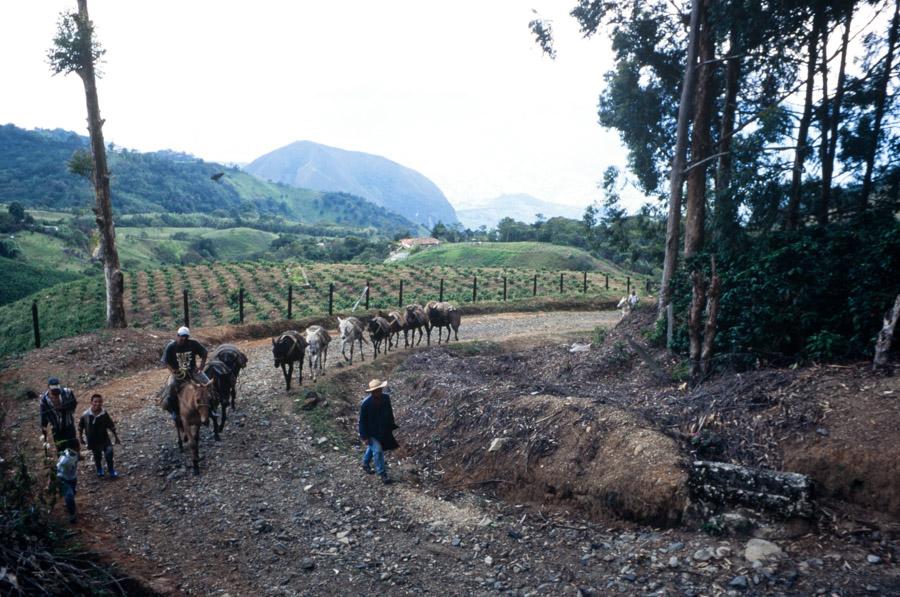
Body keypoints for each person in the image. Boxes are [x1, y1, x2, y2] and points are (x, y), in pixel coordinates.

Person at [160, 326, 209, 418]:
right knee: (171, 387)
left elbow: (204, 353)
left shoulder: (193, 344)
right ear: (177, 335)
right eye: (181, 336)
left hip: (192, 371)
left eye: (185, 336)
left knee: (208, 384)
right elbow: (165, 361)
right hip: (178, 374)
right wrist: (173, 371)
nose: (183, 338)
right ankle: (174, 410)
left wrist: (201, 367)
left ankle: (210, 409)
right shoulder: (171, 346)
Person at [358, 378, 399, 484]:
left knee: (373, 448)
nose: (379, 392)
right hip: (370, 432)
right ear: (372, 392)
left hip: (382, 430)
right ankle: (382, 473)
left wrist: (390, 425)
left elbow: (389, 412)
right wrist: (365, 437)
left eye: (380, 389)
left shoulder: (386, 398)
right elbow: (362, 421)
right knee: (378, 450)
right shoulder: (365, 404)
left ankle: (365, 463)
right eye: (376, 391)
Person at [79, 393, 121, 478]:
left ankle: (111, 470)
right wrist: (80, 438)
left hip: (104, 438)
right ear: (91, 402)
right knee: (97, 455)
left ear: (102, 402)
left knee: (109, 452)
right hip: (93, 439)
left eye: (100, 402)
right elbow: (80, 427)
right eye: (95, 402)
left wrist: (116, 437)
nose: (97, 404)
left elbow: (111, 425)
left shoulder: (104, 413)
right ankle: (99, 469)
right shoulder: (86, 415)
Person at [40, 377, 79, 455]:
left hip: (68, 423)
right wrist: (44, 426)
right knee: (60, 447)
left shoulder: (67, 392)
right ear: (48, 388)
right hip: (56, 427)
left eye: (57, 390)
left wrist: (64, 408)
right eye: (53, 391)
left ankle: (76, 456)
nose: (56, 393)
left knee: (72, 443)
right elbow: (44, 414)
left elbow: (74, 404)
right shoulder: (44, 400)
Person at [56, 447, 79, 523]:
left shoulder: (74, 455)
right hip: (63, 478)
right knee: (69, 495)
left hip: (72, 478)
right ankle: (72, 514)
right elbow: (57, 469)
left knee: (71, 493)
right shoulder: (64, 460)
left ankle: (71, 509)